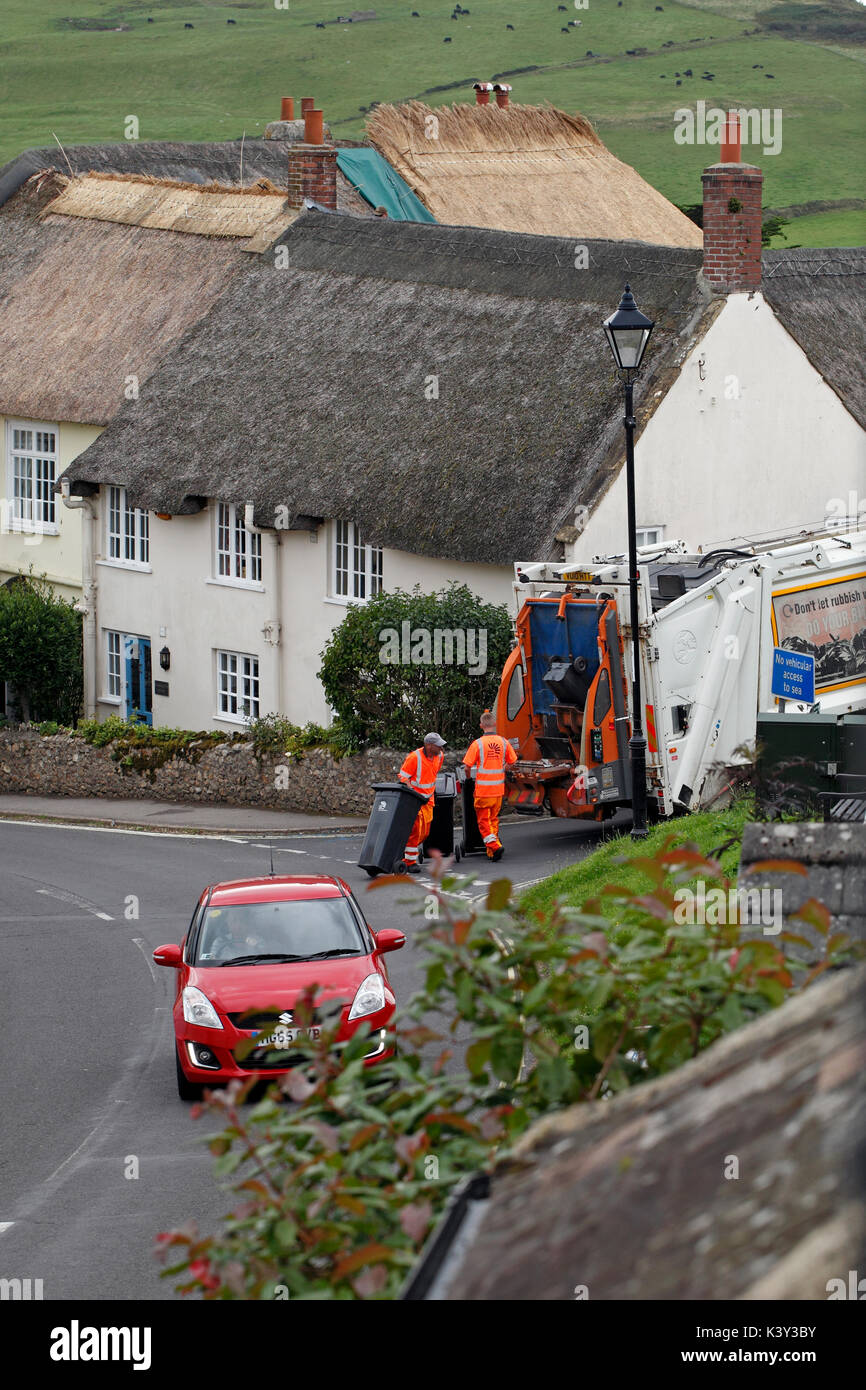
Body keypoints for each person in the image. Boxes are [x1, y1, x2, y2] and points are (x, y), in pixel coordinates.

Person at [462, 709, 517, 861]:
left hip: (483, 791)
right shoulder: (503, 742)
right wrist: (503, 769)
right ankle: (492, 852)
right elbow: (513, 762)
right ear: (495, 724)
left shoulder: (478, 744)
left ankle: (495, 846)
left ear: (481, 725)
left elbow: (467, 767)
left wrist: (468, 779)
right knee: (493, 819)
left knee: (483, 821)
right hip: (498, 790)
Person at [397, 732, 446, 873]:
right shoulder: (414, 757)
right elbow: (403, 777)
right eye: (438, 746)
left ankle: (404, 851)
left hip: (428, 800)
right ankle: (410, 862)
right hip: (415, 800)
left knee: (425, 832)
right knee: (416, 830)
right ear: (429, 746)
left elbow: (432, 774)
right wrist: (412, 790)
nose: (441, 748)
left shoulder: (440, 756)